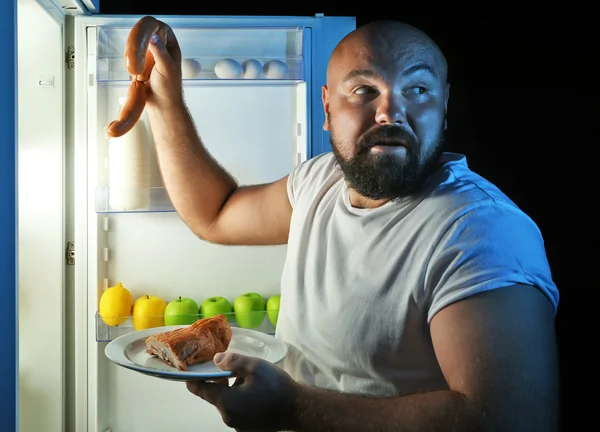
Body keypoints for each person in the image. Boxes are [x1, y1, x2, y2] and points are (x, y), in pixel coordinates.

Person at [143, 19, 560, 432]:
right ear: (327, 108)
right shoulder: (319, 182)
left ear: (443, 106)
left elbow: (512, 419)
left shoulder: (481, 232)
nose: (390, 112)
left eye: (417, 90)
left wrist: (295, 408)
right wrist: (164, 95)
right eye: (364, 90)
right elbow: (215, 213)